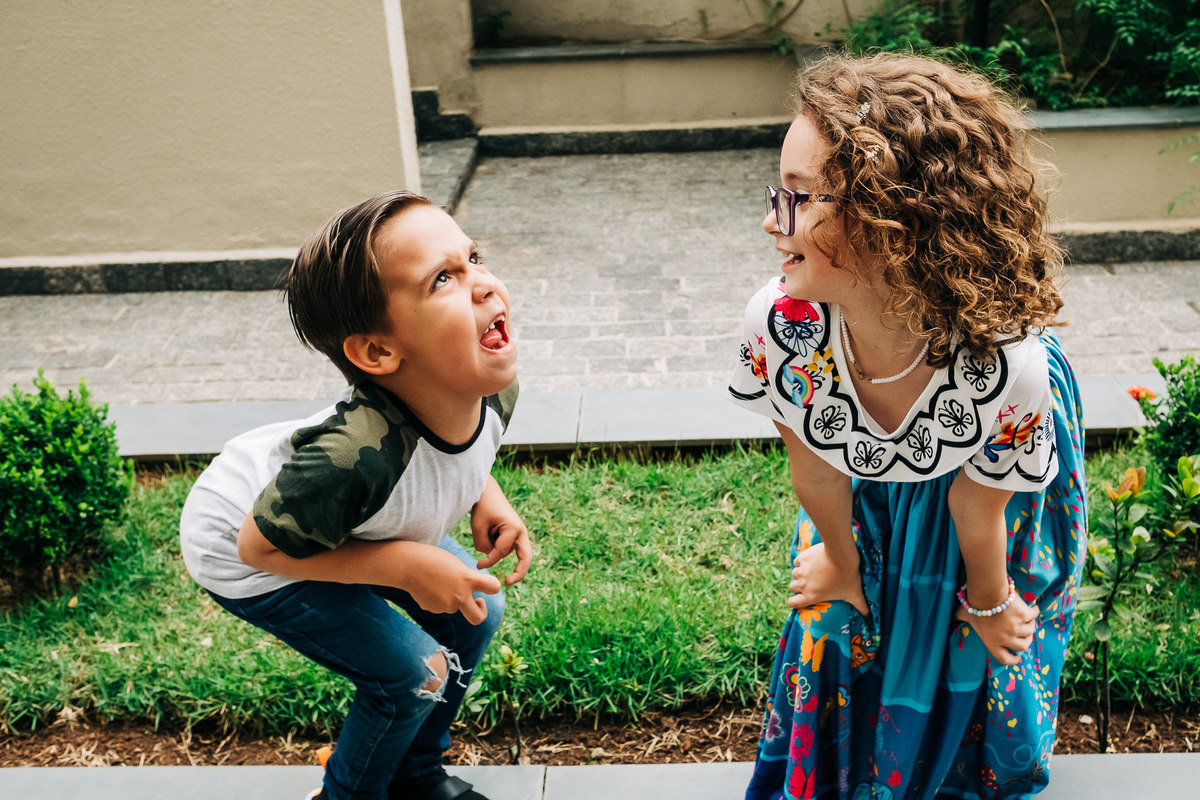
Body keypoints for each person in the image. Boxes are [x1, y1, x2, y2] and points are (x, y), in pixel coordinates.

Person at [728, 52, 1086, 800]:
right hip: (861, 481)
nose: (770, 220)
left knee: (973, 641)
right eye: (777, 192)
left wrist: (988, 600)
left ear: (896, 219)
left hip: (987, 483)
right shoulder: (782, 326)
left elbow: (977, 507)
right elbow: (816, 467)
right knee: (831, 620)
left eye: (800, 196)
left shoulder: (1006, 368)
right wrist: (841, 559)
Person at [179, 189, 530, 800]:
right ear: (378, 350)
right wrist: (404, 565)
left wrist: (485, 495)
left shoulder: (492, 389)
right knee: (416, 674)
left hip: (345, 518)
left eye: (473, 258)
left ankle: (417, 773)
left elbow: (460, 445)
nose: (482, 284)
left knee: (476, 614)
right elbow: (258, 547)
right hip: (250, 546)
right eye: (443, 279)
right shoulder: (353, 457)